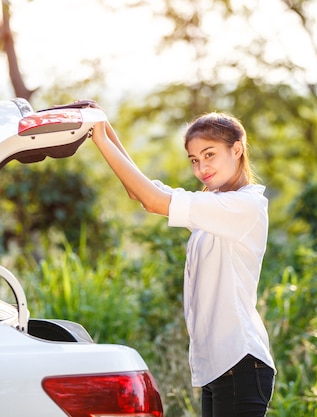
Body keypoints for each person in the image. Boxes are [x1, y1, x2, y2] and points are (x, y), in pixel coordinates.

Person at [88, 104, 276, 417]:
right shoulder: (214, 204)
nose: (201, 167)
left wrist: (100, 139)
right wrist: (105, 129)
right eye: (194, 159)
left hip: (240, 363)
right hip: (218, 367)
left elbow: (152, 199)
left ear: (237, 149)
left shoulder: (244, 206)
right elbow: (142, 192)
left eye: (209, 154)